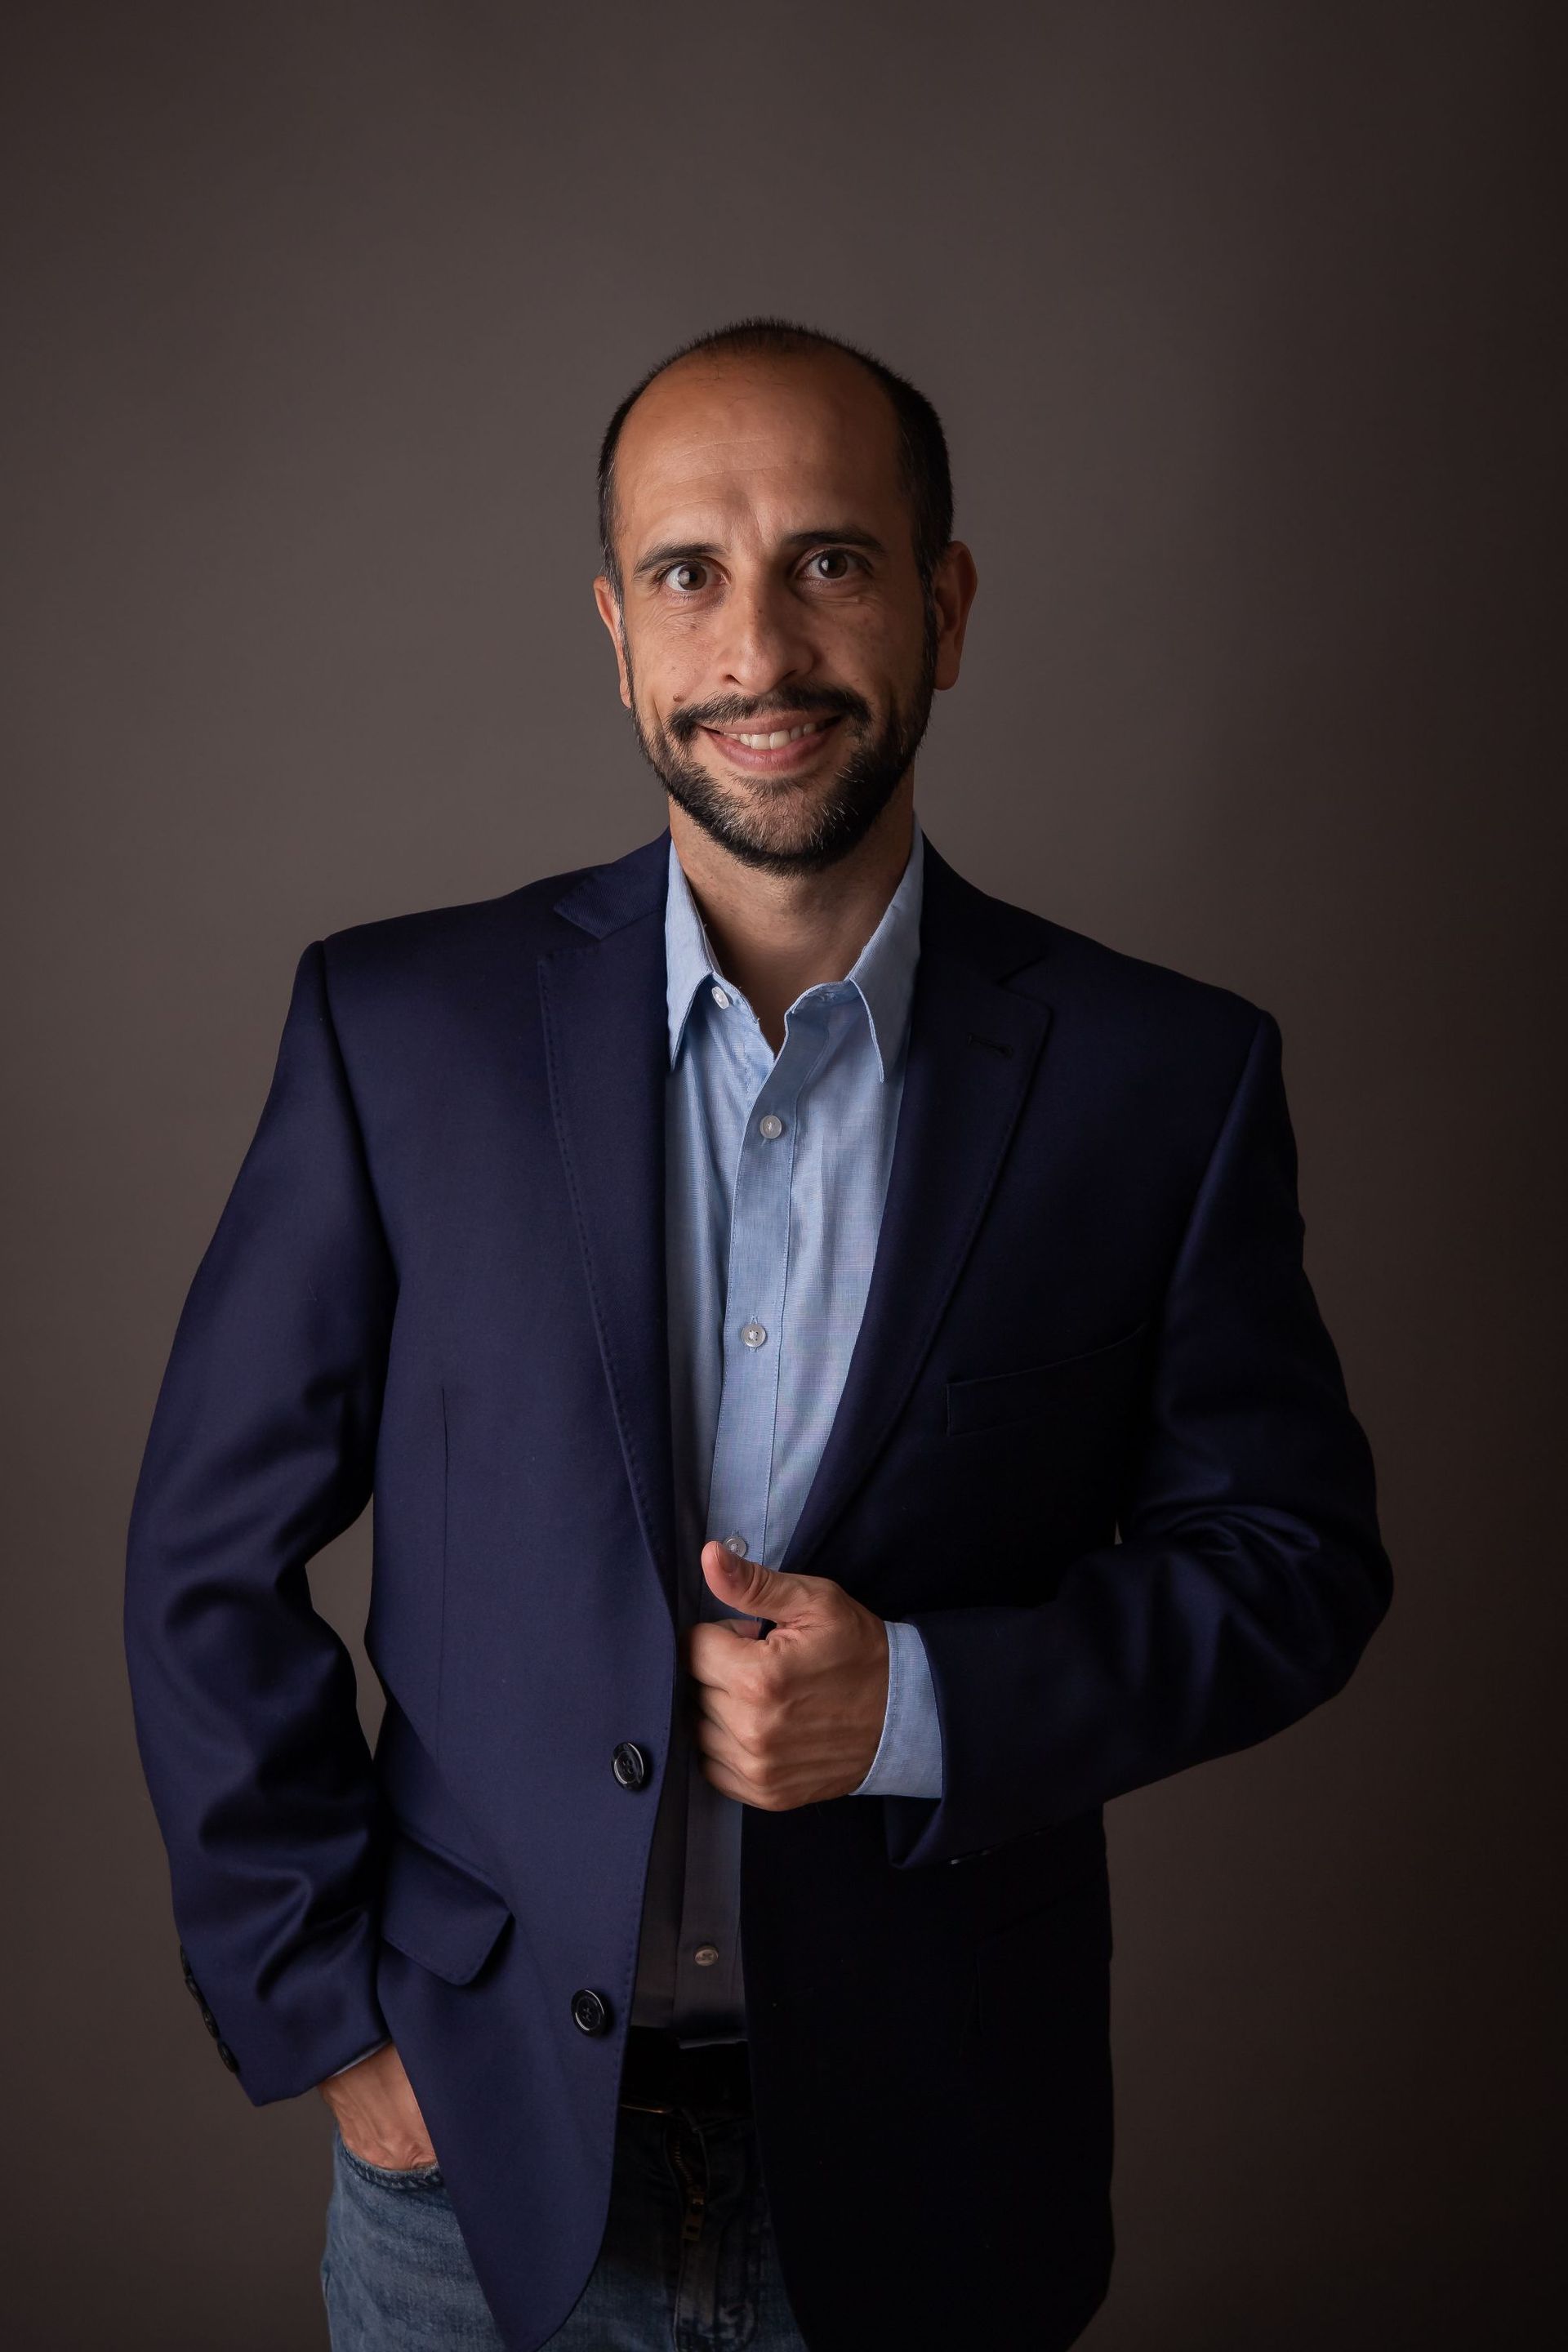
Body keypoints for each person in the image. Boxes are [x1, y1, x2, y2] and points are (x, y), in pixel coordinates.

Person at [124, 318, 1392, 2352]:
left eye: (831, 562)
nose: (760, 650)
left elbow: (1295, 1566)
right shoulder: (398, 1033)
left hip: (936, 2167)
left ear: (943, 608)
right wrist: (326, 2017)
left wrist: (916, 1709)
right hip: (471, 2169)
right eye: (690, 575)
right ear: (617, 633)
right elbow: (204, 1556)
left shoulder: (1164, 1080)